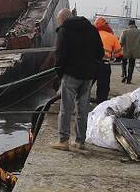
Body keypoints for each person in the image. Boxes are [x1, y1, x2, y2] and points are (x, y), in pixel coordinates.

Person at [51, 9, 104, 151]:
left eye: (59, 21)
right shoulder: (92, 29)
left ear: (62, 19)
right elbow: (101, 52)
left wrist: (60, 73)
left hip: (71, 74)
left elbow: (60, 55)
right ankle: (80, 142)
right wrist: (93, 69)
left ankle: (63, 141)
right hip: (88, 75)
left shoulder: (64, 30)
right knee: (82, 109)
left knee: (66, 108)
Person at [94, 17, 122, 103]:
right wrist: (117, 58)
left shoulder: (92, 34)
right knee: (103, 89)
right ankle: (100, 107)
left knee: (85, 88)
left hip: (91, 64)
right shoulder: (112, 37)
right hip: (104, 65)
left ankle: (82, 108)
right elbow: (119, 54)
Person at [120, 19, 140, 84]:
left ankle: (124, 75)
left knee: (123, 63)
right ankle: (129, 79)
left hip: (126, 50)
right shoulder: (139, 32)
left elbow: (121, 42)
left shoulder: (125, 31)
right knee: (131, 65)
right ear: (134, 24)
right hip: (135, 52)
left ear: (129, 24)